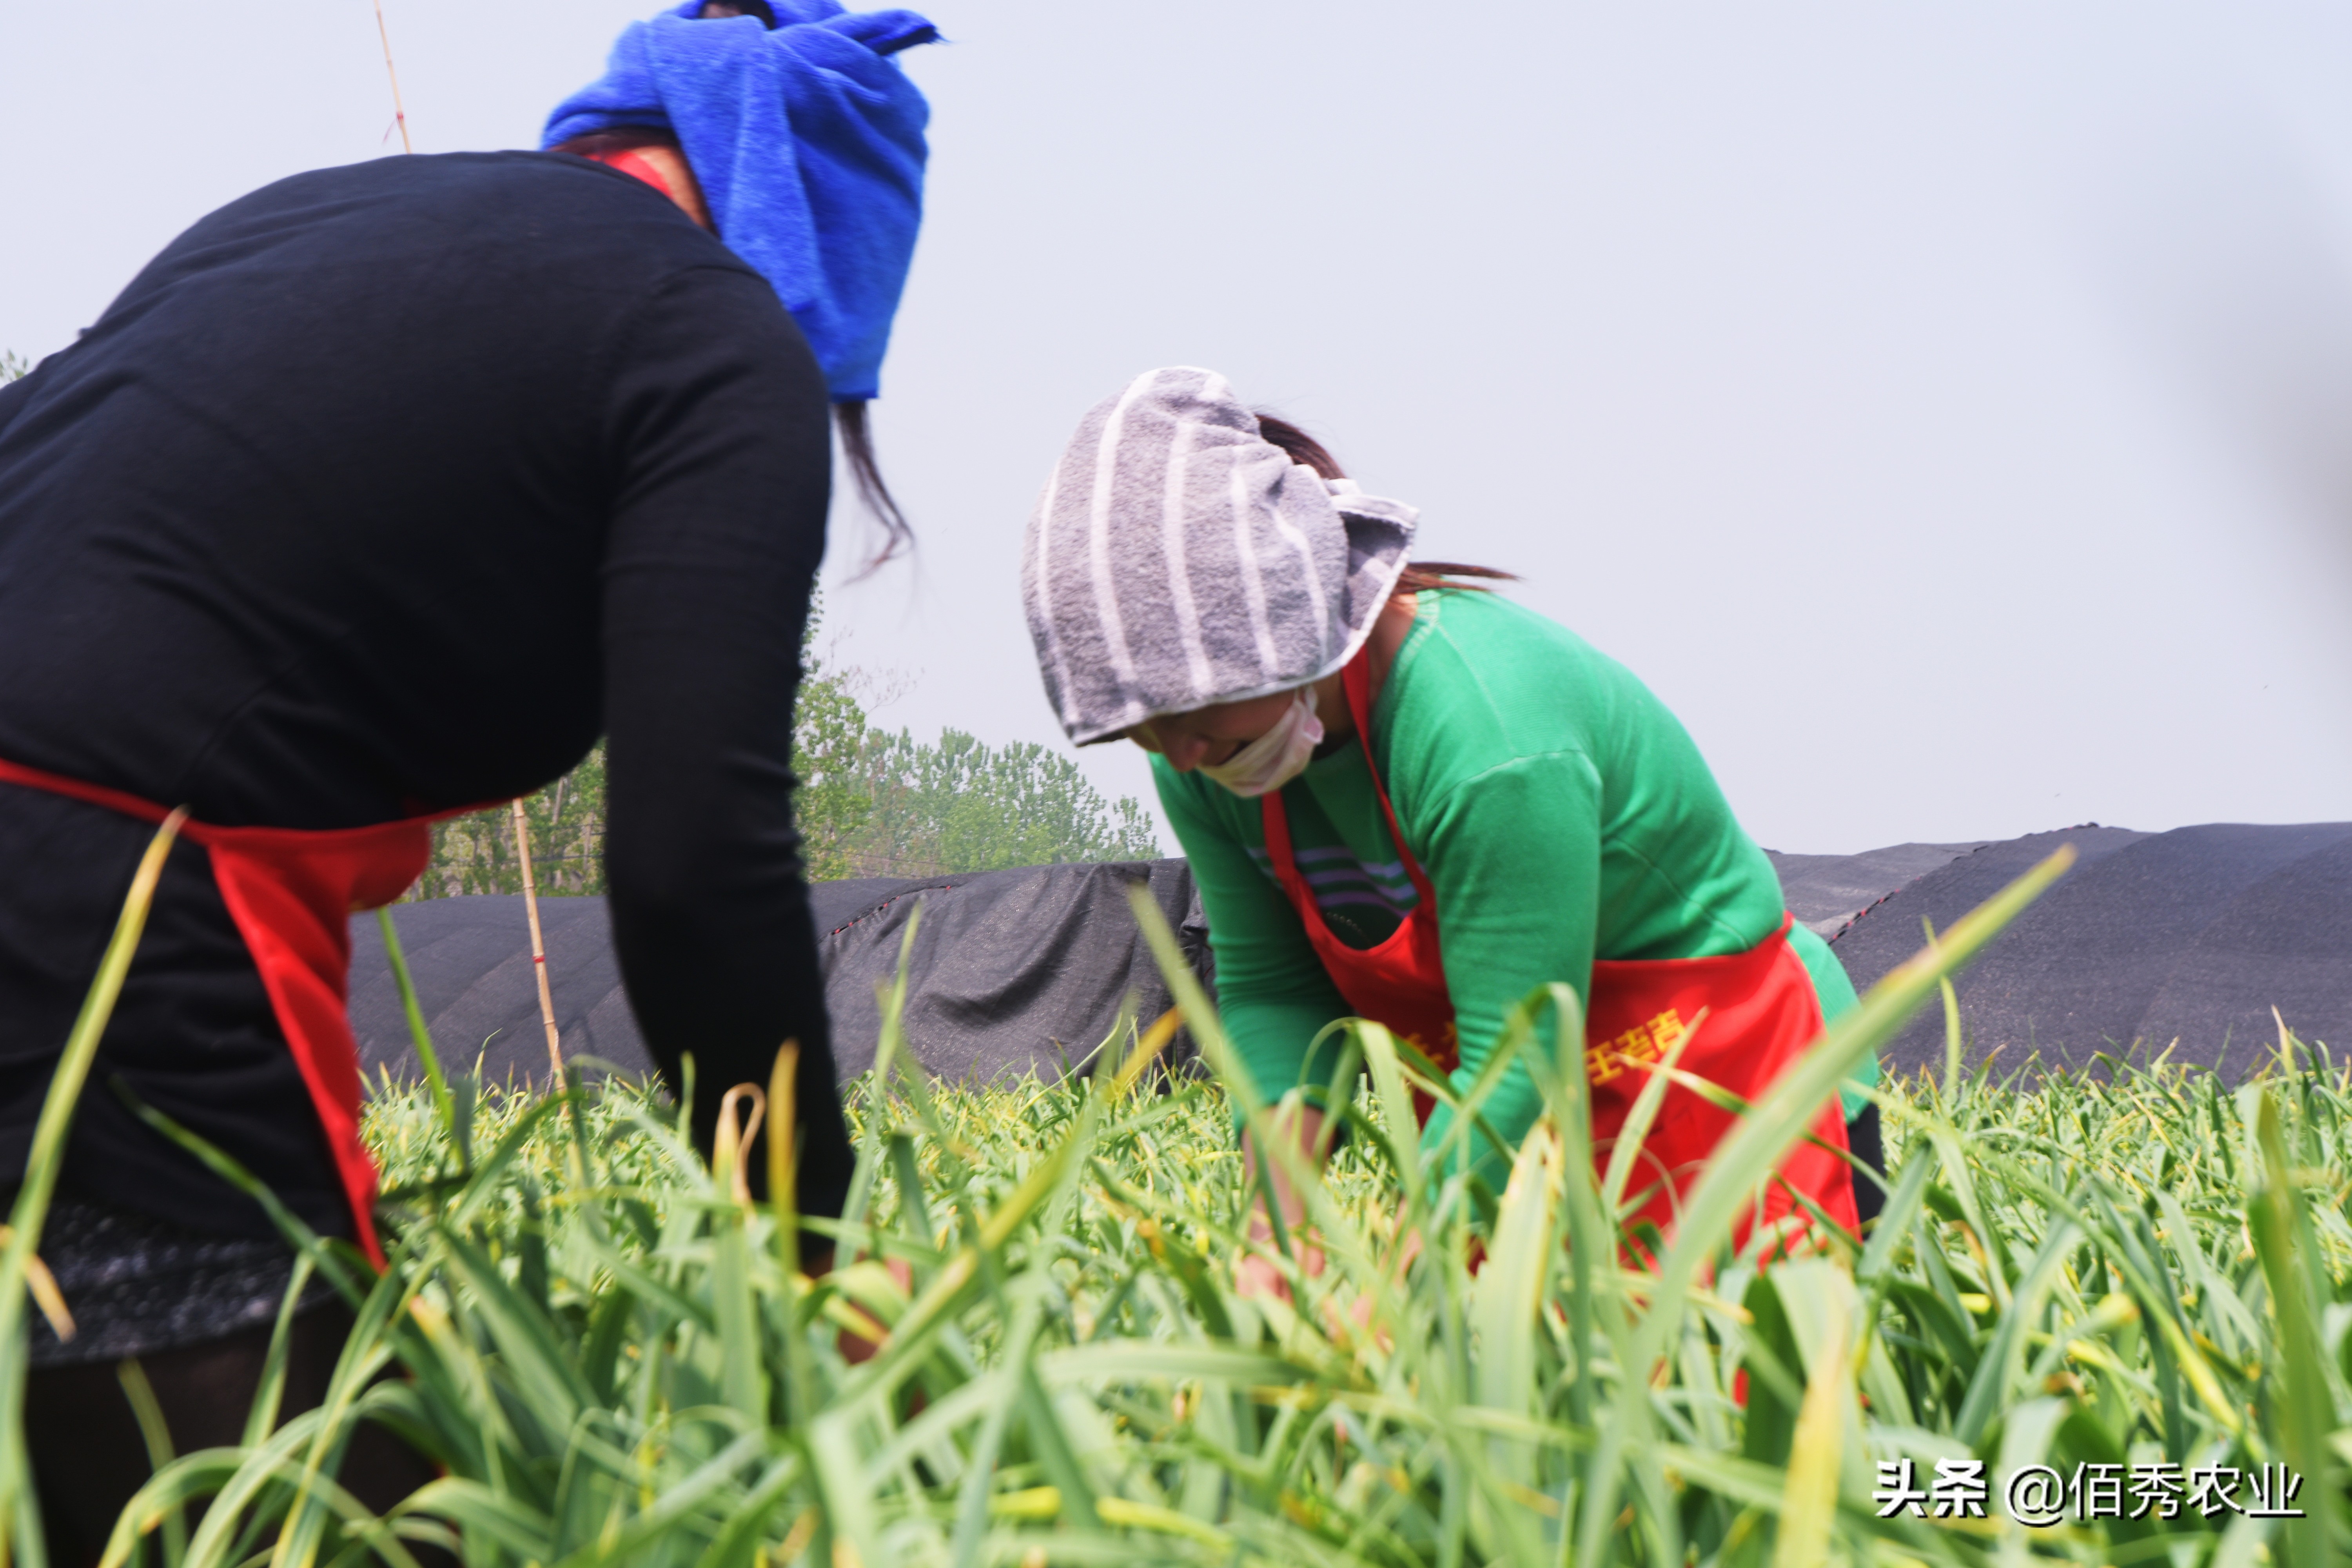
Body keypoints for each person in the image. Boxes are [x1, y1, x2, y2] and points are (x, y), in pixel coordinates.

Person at [0, 2, 933, 1559]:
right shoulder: (716, 338)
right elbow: (700, 860)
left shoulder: (301, 217)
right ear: (832, 224)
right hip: (106, 878)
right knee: (329, 1518)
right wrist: (802, 1262)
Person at [1020, 367, 1881, 1282]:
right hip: (1513, 1112)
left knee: (1752, 1404)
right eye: (1139, 732)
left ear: (1295, 632)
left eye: (1193, 720)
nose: (1177, 757)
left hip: (1732, 1071)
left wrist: (1397, 1285)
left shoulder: (1487, 736)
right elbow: (1276, 986)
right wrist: (1279, 1234)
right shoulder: (1209, 762)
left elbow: (1521, 1047)